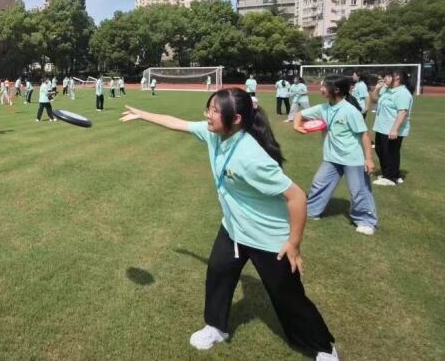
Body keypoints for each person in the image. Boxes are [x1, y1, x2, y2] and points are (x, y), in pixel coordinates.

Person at [121, 89, 338, 360]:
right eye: (209, 108)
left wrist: (293, 244)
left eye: (214, 110)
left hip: (268, 237)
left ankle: (323, 348)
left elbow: (296, 197)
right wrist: (142, 114)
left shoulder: (251, 157)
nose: (207, 115)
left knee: (288, 296)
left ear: (235, 118)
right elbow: (178, 123)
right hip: (234, 229)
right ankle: (216, 327)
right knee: (218, 275)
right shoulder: (215, 134)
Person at [295, 76, 378, 235]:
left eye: (324, 87)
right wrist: (296, 126)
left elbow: (364, 136)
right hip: (331, 158)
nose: (321, 90)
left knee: (359, 190)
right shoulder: (324, 108)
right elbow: (300, 114)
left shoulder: (350, 111)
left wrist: (368, 159)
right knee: (319, 183)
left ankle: (366, 221)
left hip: (352, 159)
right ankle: (311, 211)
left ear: (337, 90)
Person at [369, 70, 413, 186]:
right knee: (381, 150)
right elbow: (374, 100)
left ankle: (390, 178)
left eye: (388, 76)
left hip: (391, 128)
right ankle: (391, 174)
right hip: (382, 127)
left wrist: (395, 129)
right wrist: (377, 89)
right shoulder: (387, 90)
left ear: (397, 77)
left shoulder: (402, 93)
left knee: (390, 152)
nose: (384, 78)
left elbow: (402, 112)